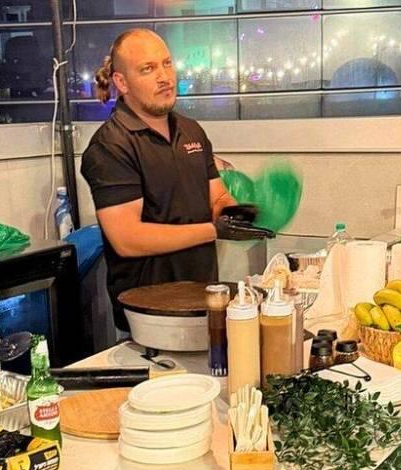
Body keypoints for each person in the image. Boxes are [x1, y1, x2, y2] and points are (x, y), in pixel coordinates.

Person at [80, 28, 270, 331]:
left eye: (167, 63)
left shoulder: (191, 131)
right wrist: (213, 230)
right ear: (121, 82)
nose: (164, 77)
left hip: (203, 301)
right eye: (148, 69)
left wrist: (234, 214)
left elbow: (217, 195)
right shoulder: (110, 146)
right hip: (148, 315)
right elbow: (127, 238)